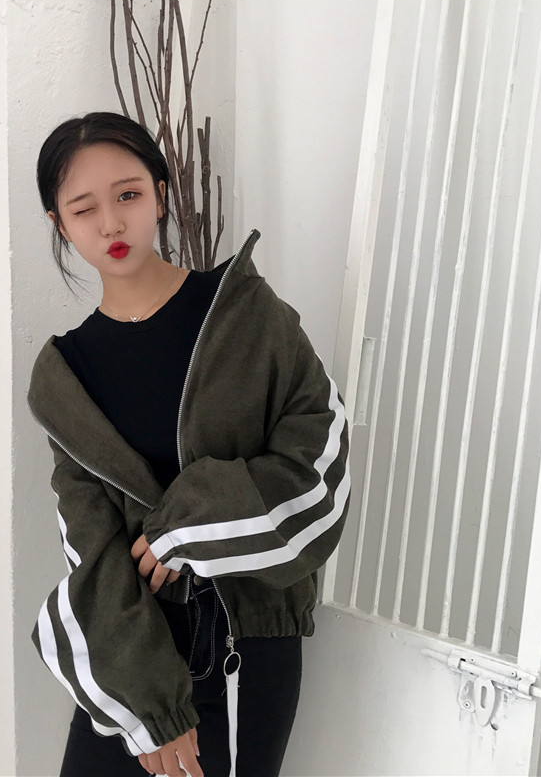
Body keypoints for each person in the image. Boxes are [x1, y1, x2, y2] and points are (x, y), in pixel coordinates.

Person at [28, 111, 350, 777]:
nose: (111, 224)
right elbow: (91, 552)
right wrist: (150, 707)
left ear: (160, 194)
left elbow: (319, 467)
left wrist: (182, 527)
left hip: (245, 646)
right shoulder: (66, 375)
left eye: (127, 194)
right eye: (84, 209)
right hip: (131, 656)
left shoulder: (245, 316)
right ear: (60, 225)